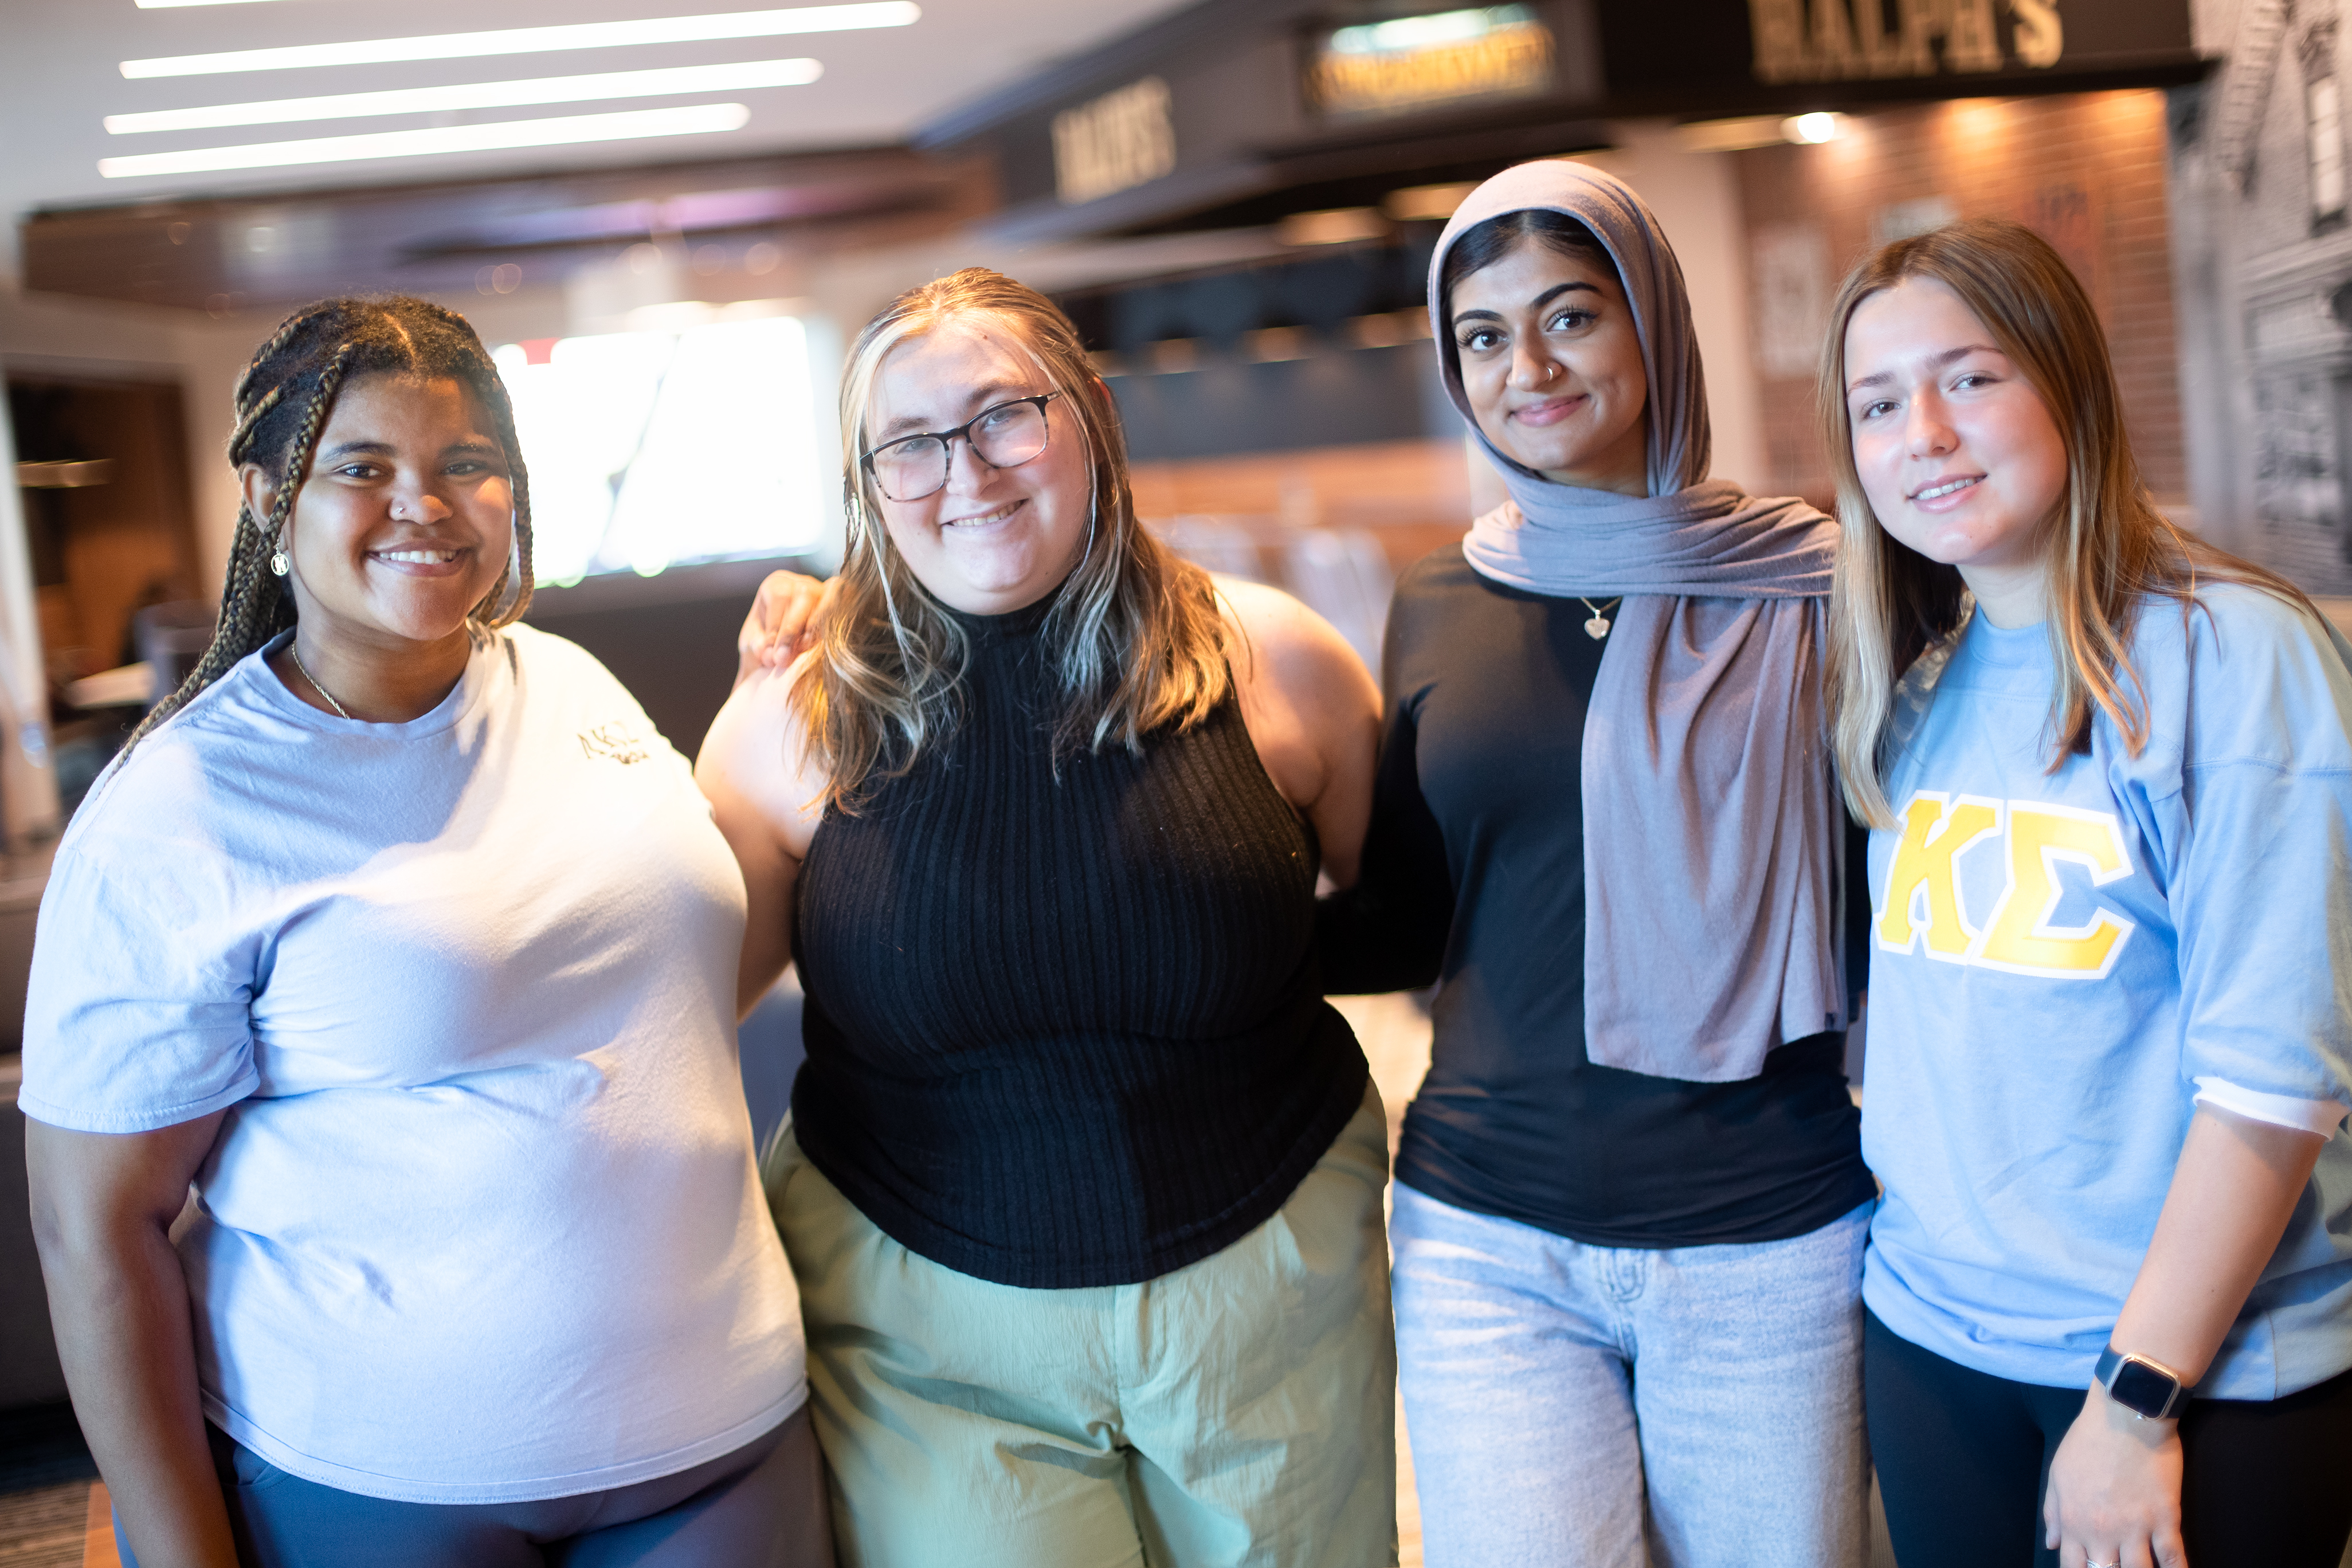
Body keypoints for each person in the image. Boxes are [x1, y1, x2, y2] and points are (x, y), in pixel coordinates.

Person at [22, 296, 829, 1568]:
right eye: (362, 467)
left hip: (720, 1441)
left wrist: (773, 712)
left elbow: (681, 983)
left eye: (470, 464)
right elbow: (95, 1231)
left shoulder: (567, 685)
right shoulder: (180, 809)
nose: (427, 503)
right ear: (267, 499)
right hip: (382, 1484)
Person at [697, 266, 1391, 1568]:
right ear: (865, 483)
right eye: (909, 441)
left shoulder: (1277, 660)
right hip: (925, 1328)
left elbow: (1403, 921)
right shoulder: (784, 729)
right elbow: (665, 1020)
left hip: (1274, 1284)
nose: (967, 469)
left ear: (1090, 419)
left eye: (1007, 413)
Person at [1316, 159, 1876, 1568]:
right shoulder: (1443, 600)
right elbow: (1413, 917)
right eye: (1486, 337)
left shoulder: (1829, 586)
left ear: (1654, 324)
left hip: (1769, 1234)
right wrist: (1174, 912)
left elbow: (1894, 919)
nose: (1530, 367)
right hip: (1490, 1238)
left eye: (1572, 316)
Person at [1822, 217, 2352, 1568]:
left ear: (2069, 383)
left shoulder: (2230, 657)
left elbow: (2275, 1082)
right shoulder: (1921, 683)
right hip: (1936, 1338)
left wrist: (2135, 1399)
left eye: (1972, 377)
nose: (1923, 433)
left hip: (2184, 1377)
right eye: (1879, 403)